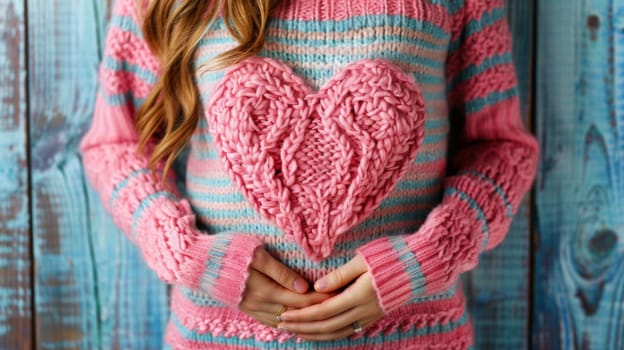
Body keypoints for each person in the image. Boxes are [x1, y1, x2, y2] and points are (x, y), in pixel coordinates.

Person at [79, 0, 539, 348]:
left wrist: (431, 256)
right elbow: (117, 145)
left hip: (415, 333)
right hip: (216, 335)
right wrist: (186, 252)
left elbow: (499, 148)